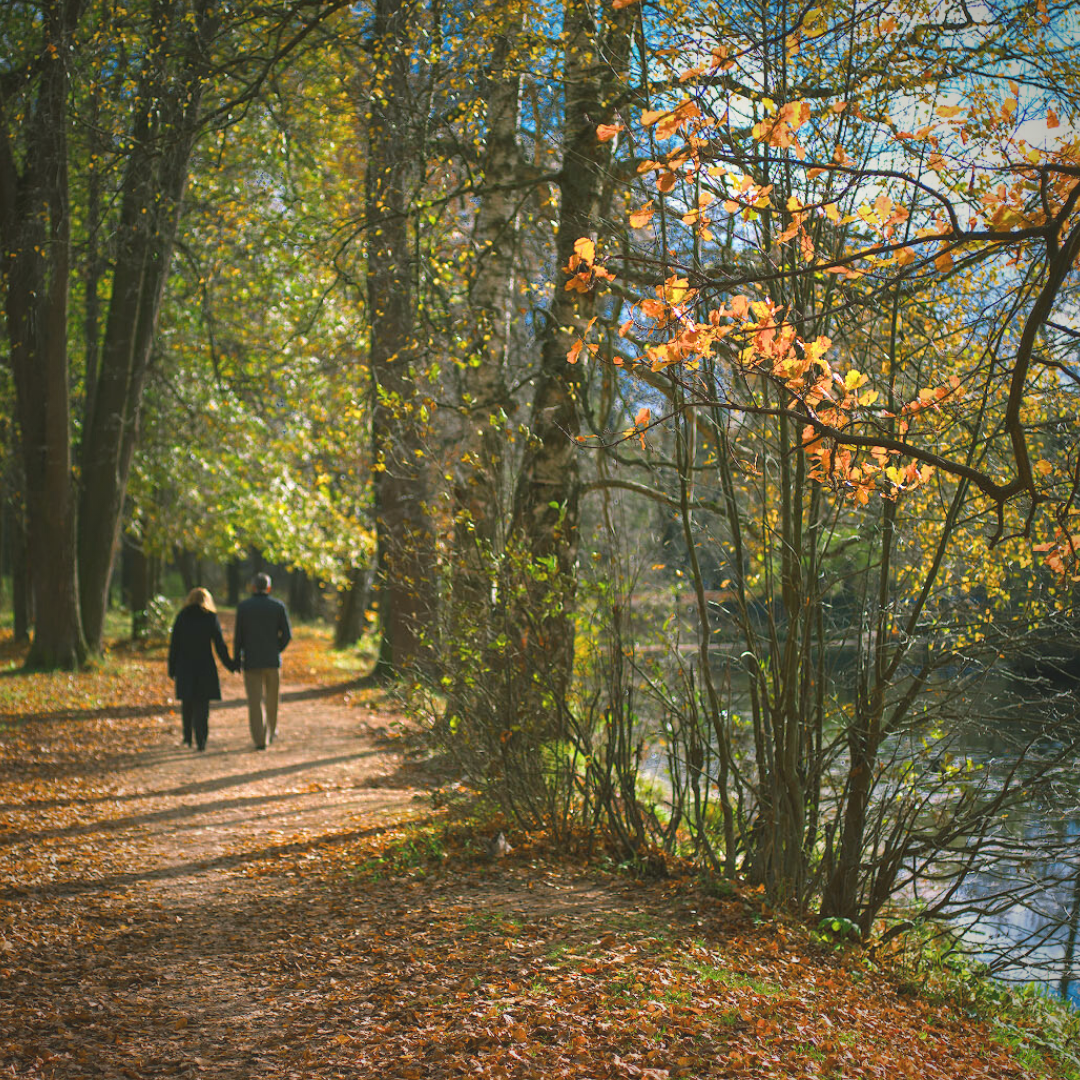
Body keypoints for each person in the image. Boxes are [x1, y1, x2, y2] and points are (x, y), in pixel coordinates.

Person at [167, 588, 236, 752]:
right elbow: (220, 645)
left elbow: (174, 645)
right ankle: (201, 739)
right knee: (202, 704)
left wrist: (172, 668)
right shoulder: (210, 618)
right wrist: (231, 665)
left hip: (185, 665)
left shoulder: (182, 617)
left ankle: (187, 737)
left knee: (187, 702)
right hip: (205, 665)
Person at [234, 572, 292, 749]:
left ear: (253, 587)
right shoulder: (278, 606)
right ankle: (271, 731)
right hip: (272, 660)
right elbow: (287, 635)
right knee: (272, 699)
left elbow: (239, 637)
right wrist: (277, 649)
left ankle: (260, 739)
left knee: (255, 701)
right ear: (269, 588)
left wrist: (237, 659)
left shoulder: (244, 607)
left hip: (252, 661)